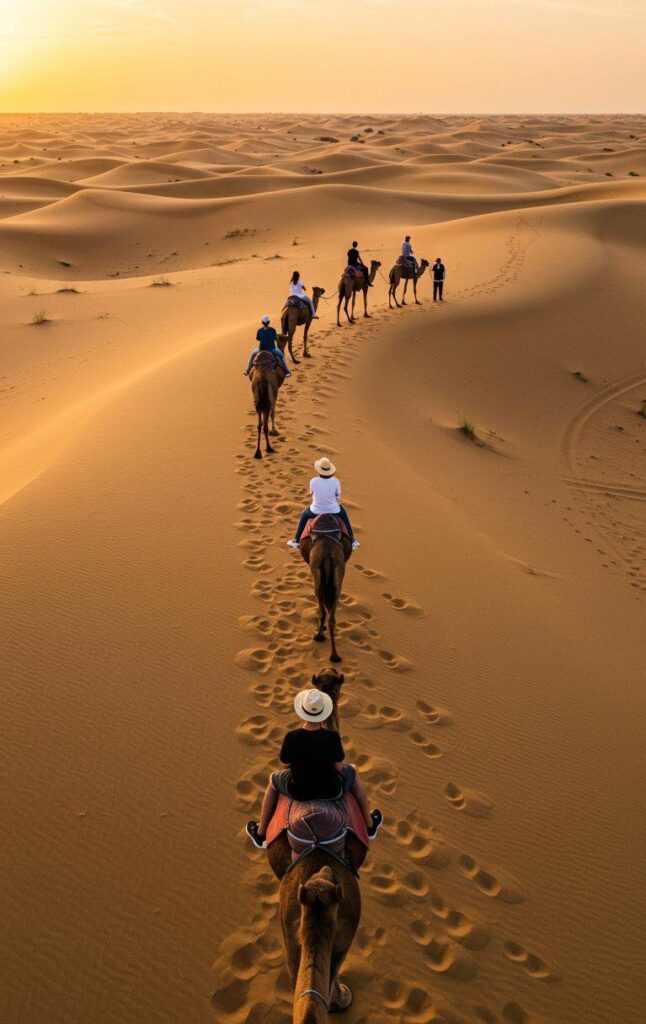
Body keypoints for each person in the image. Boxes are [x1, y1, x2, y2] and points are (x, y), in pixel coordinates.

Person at [246, 687, 383, 848]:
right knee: (354, 774)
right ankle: (369, 826)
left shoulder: (292, 737)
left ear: (302, 710)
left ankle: (261, 833)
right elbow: (338, 764)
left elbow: (285, 763)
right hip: (331, 791)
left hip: (298, 792)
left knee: (272, 780)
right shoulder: (332, 737)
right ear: (323, 712)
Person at [287, 456, 359, 549]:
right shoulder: (335, 481)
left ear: (319, 470)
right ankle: (352, 541)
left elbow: (311, 493)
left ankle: (296, 540)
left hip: (316, 510)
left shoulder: (313, 481)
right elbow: (338, 495)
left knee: (304, 516)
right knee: (344, 517)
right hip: (333, 510)